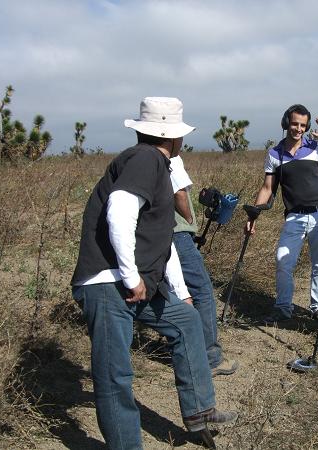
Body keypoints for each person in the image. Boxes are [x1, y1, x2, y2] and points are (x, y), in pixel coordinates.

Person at [71, 97, 237, 450]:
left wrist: (179, 289)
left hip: (137, 283)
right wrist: (130, 275)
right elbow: (119, 210)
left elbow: (163, 240)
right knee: (116, 374)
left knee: (188, 322)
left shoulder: (157, 166)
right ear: (173, 137)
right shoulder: (146, 159)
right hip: (108, 282)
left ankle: (200, 413)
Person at [247, 104, 318, 323]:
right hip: (294, 217)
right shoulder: (274, 154)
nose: (299, 129)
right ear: (286, 123)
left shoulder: (315, 147)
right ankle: (283, 308)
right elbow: (267, 188)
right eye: (295, 123)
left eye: (303, 125)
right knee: (283, 261)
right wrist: (253, 216)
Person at [164, 154, 239, 377]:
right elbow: (179, 192)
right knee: (202, 291)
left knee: (171, 291)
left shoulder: (144, 155)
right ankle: (211, 359)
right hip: (177, 233)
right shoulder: (170, 157)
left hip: (158, 233)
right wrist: (188, 219)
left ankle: (179, 347)